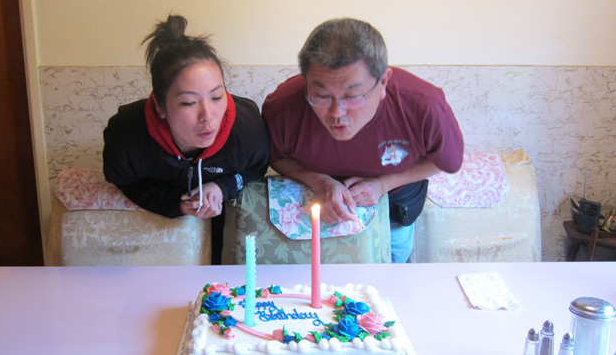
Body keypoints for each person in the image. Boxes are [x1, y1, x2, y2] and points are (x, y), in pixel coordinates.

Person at [262, 18, 464, 263]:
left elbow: (446, 162)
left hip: (394, 202)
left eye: (352, 96)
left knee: (391, 268)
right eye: (322, 96)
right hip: (315, 204)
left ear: (383, 83)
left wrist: (382, 185)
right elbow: (275, 156)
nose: (337, 113)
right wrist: (319, 181)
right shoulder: (283, 107)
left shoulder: (424, 106)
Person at [103, 15, 270, 260]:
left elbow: (256, 168)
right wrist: (175, 203)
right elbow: (126, 181)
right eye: (189, 102)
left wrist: (222, 187)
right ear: (160, 106)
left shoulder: (247, 131)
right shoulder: (127, 138)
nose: (208, 116)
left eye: (217, 97)